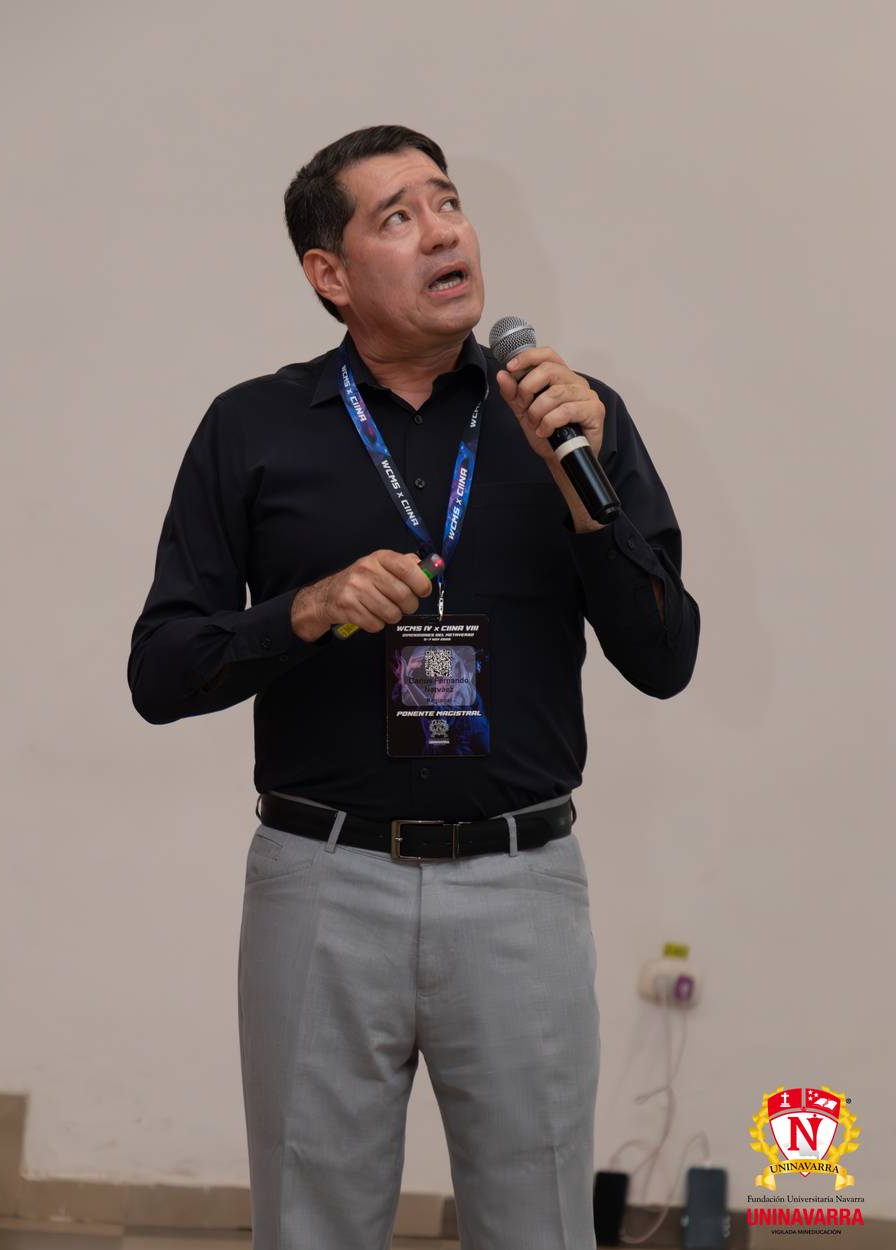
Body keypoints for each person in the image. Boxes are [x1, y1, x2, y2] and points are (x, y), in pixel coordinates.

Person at [127, 124, 700, 1250]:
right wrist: (303, 608)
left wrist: (583, 495)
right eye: (397, 217)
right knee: (312, 1226)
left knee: (539, 1222)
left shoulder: (570, 418)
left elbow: (665, 655)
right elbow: (161, 669)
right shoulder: (253, 427)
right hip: (321, 883)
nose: (442, 232)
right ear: (329, 275)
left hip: (522, 887)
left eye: (447, 202)